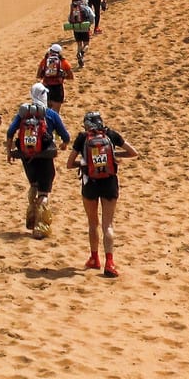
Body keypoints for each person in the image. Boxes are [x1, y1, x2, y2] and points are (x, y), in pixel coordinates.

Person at [72, 110, 138, 278]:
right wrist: (113, 155)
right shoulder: (111, 135)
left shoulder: (82, 138)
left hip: (90, 184)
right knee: (107, 225)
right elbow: (133, 152)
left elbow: (69, 163)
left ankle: (94, 258)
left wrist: (86, 162)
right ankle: (109, 262)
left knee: (92, 223)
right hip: (109, 183)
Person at [7, 83, 72, 238]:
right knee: (44, 192)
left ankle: (31, 216)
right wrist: (64, 144)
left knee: (33, 185)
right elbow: (66, 136)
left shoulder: (24, 113)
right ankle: (40, 227)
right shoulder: (50, 114)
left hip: (27, 157)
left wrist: (9, 152)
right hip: (45, 156)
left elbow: (10, 132)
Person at [37, 42, 73, 110]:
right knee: (56, 112)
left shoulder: (45, 61)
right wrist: (62, 76)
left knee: (46, 111)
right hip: (58, 88)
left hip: (46, 87)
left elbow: (38, 75)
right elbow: (71, 76)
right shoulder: (63, 62)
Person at [66, 0, 95, 67]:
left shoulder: (74, 8)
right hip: (85, 28)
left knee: (79, 45)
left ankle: (80, 57)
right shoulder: (86, 8)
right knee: (86, 44)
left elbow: (69, 18)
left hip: (76, 29)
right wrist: (89, 24)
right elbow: (92, 17)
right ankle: (82, 53)